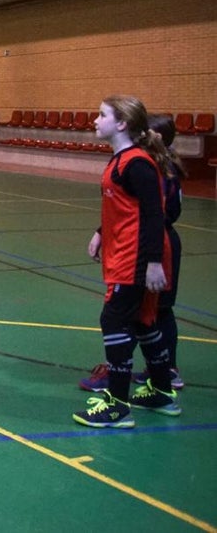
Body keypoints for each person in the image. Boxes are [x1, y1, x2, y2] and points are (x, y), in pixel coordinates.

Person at [73, 95, 180, 428]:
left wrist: (153, 263)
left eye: (101, 115)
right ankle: (161, 392)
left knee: (114, 320)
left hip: (136, 257)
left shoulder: (136, 163)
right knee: (143, 321)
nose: (95, 120)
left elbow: (154, 215)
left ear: (121, 124)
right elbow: (126, 208)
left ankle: (117, 406)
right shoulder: (121, 160)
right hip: (126, 252)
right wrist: (101, 232)